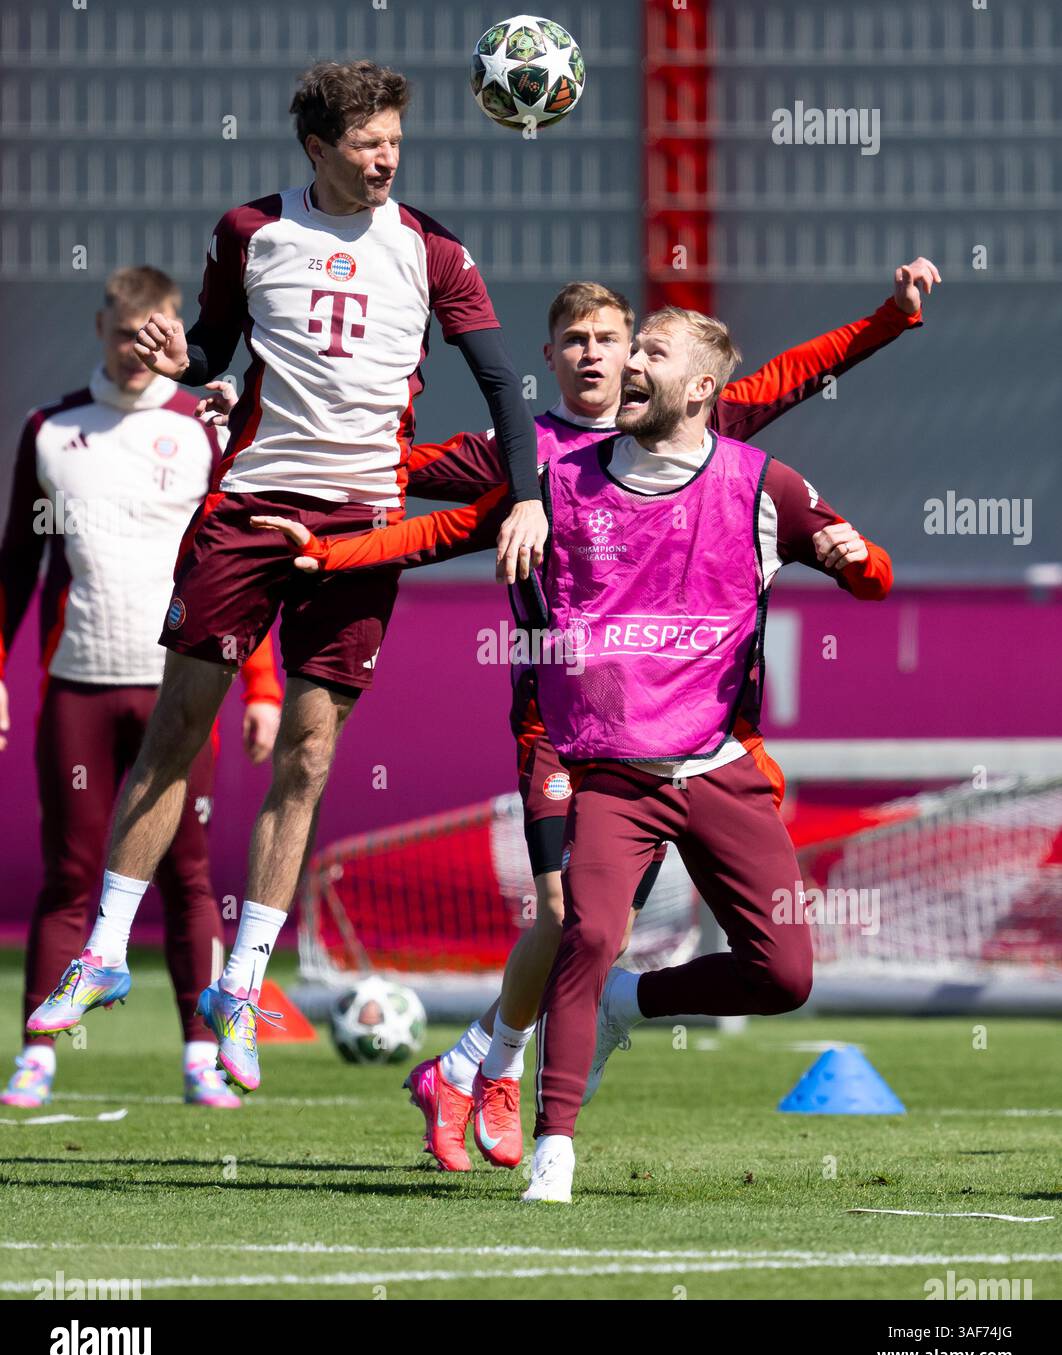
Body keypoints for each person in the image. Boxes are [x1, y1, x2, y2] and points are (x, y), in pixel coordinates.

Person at [253, 274, 927, 1180]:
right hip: (561, 724)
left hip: (690, 735)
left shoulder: (716, 451)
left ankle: (477, 1067)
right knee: (576, 919)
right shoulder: (533, 461)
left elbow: (793, 376)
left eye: (621, 340)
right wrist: (319, 519)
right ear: (551, 357)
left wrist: (888, 320)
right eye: (582, 339)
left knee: (628, 937)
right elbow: (419, 494)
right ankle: (510, 1094)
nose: (604, 355)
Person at [25, 61, 548, 1095]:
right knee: (178, 730)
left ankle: (244, 982)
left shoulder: (435, 250)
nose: (387, 155)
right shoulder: (247, 231)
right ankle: (101, 955)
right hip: (248, 513)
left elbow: (500, 384)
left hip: (361, 531)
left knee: (308, 755)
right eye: (367, 142)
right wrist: (193, 371)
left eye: (395, 138)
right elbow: (217, 353)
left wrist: (524, 493)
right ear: (317, 149)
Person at [0, 265, 281, 1109]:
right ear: (103, 328)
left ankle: (200, 1053)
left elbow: (241, 561)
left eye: (153, 336)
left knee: (189, 874)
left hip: (182, 687)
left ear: (173, 336)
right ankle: (39, 1056)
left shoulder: (202, 427)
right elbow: (17, 561)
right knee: (70, 873)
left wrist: (261, 684)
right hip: (80, 687)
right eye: (124, 334)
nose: (136, 351)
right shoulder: (51, 429)